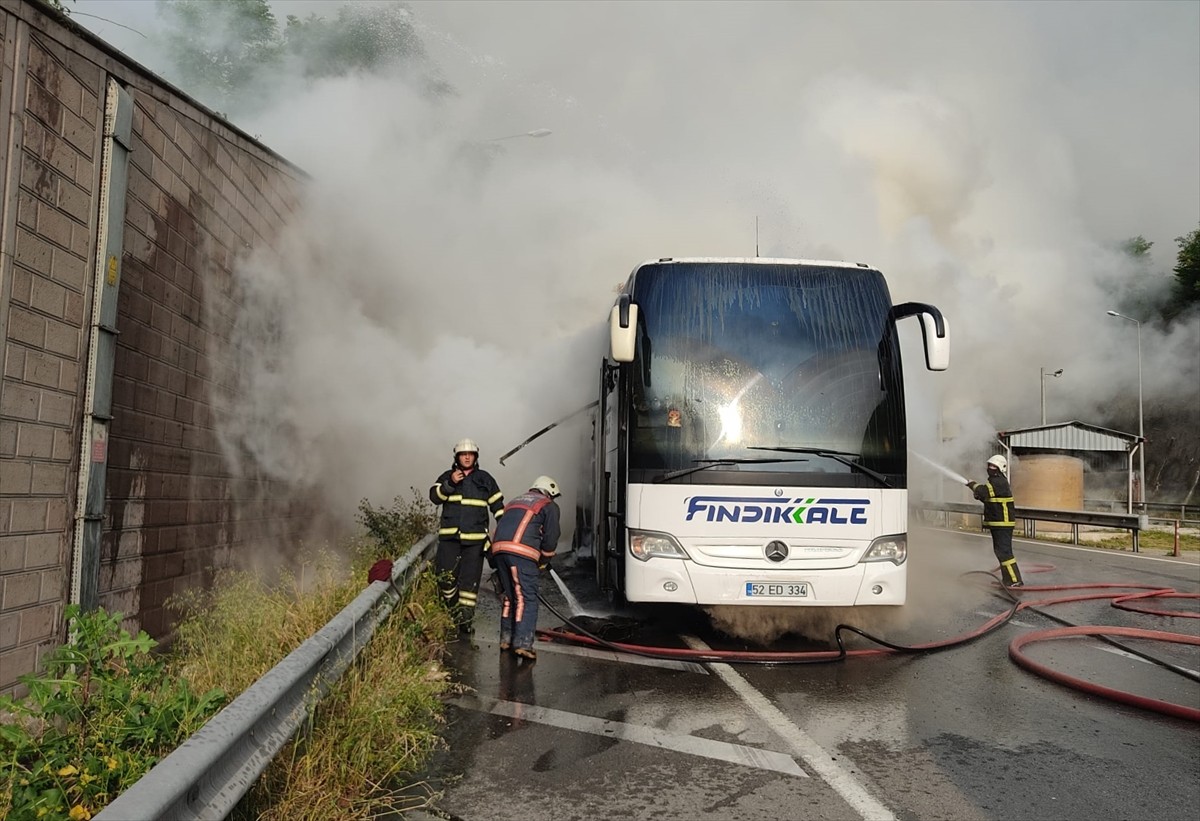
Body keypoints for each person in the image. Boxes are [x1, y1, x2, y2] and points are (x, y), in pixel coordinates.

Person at [429, 438, 505, 634]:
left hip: (475, 542)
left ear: (475, 457)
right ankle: (453, 611)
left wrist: (504, 529)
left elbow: (498, 506)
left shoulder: (485, 479)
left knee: (469, 584)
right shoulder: (447, 476)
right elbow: (434, 497)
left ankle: (465, 622)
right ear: (457, 457)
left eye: (470, 454)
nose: (467, 457)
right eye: (463, 454)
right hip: (450, 539)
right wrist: (449, 484)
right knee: (445, 578)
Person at [490, 475, 562, 661]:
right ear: (549, 493)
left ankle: (506, 639)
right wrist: (544, 559)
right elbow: (552, 536)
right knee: (526, 598)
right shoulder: (548, 505)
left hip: (498, 550)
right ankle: (523, 643)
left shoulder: (515, 501)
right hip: (521, 553)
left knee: (510, 596)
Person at [967, 454, 1024, 588]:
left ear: (999, 468)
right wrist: (979, 494)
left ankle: (1016, 580)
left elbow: (984, 491)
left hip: (1002, 523)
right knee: (1000, 552)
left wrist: (972, 485)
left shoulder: (999, 482)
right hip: (997, 523)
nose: (990, 468)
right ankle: (1007, 580)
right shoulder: (995, 482)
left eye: (993, 466)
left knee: (1005, 553)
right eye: (989, 465)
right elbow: (988, 497)